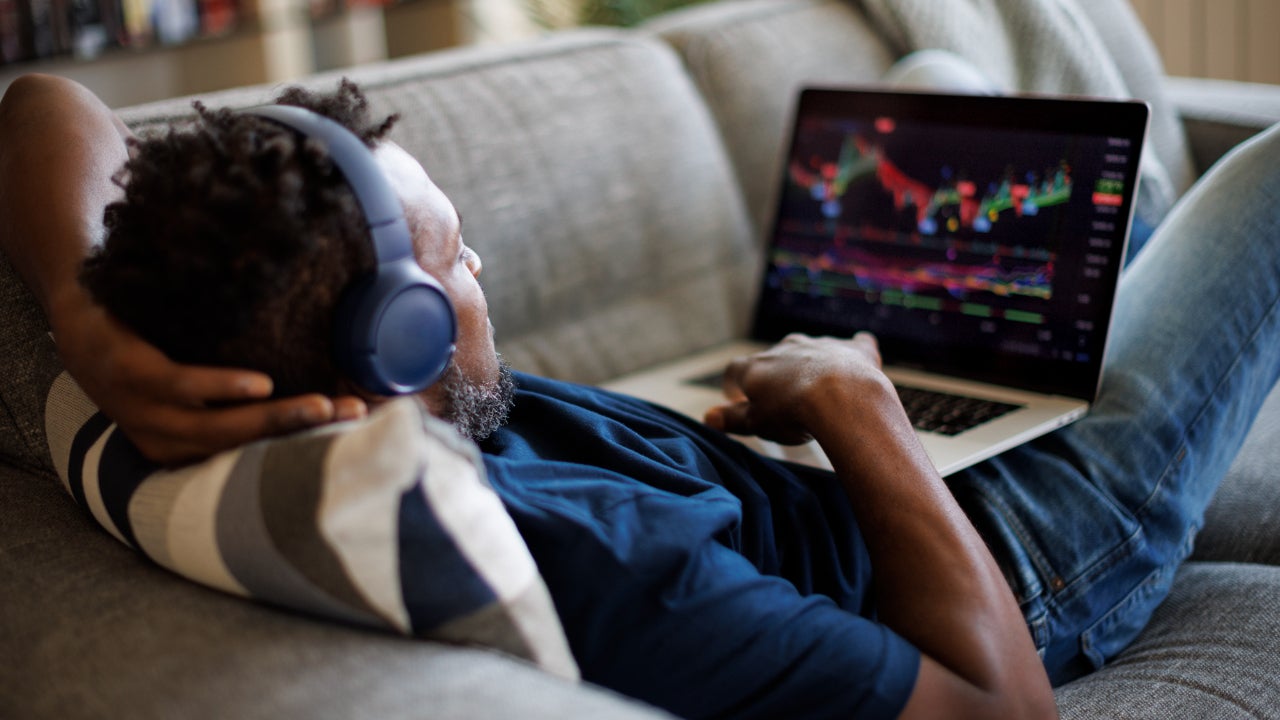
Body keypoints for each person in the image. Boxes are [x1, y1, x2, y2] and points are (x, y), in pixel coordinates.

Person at [2, 70, 1279, 720]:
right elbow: (1002, 713)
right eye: (453, 260)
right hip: (1015, 549)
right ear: (386, 346)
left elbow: (40, 102)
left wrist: (82, 306)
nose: (481, 265)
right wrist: (855, 411)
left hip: (815, 458)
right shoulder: (619, 575)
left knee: (960, 73)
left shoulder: (188, 334)